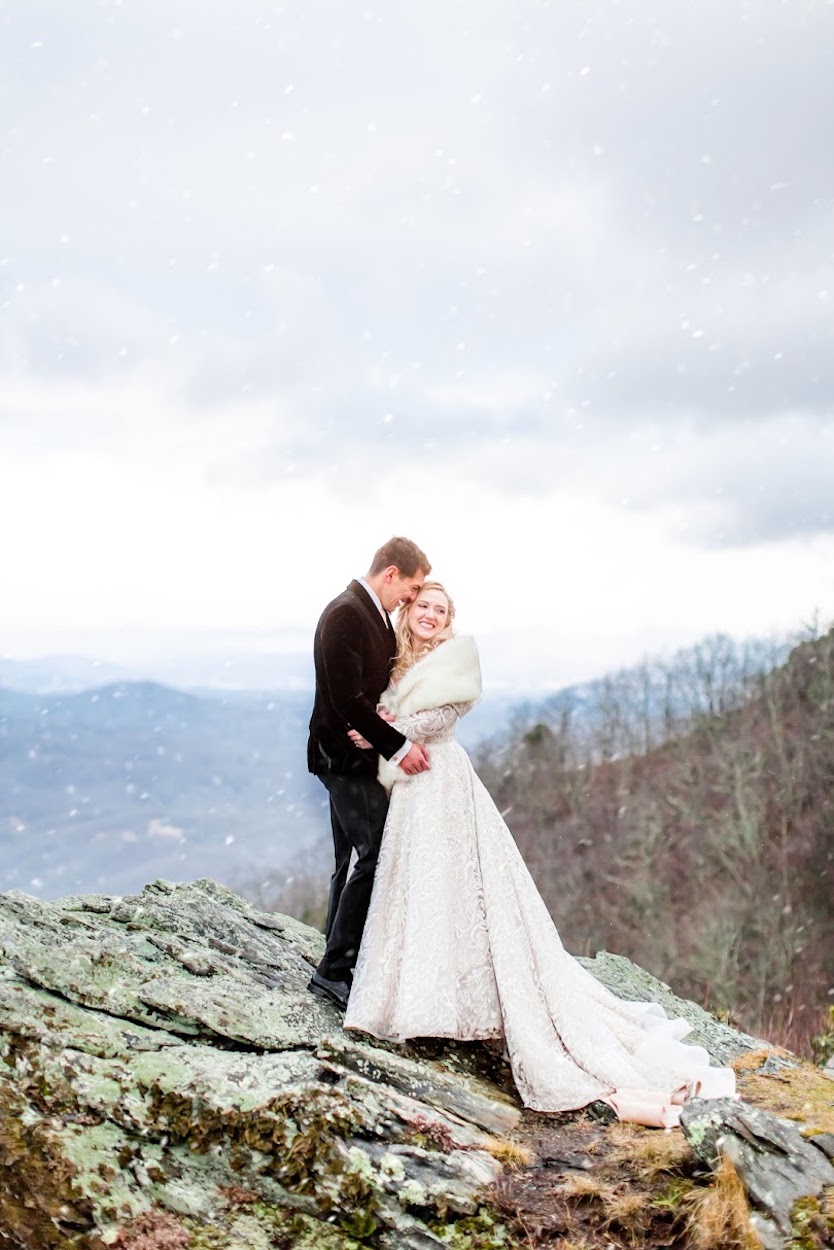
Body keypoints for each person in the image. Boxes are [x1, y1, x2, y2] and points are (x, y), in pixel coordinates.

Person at [343, 582, 736, 1127]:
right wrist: (376, 726)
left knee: (461, 883)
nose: (431, 615)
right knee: (423, 887)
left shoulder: (455, 659)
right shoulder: (397, 658)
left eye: (441, 609)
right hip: (411, 787)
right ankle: (421, 996)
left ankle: (471, 1003)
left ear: (449, 619)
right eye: (424, 606)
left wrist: (378, 731)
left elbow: (441, 720)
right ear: (407, 611)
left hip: (441, 779)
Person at [306, 536, 432, 1011]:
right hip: (341, 759)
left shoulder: (372, 614)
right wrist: (398, 746)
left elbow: (367, 693)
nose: (412, 597)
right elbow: (345, 700)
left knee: (348, 861)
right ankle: (335, 970)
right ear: (391, 572)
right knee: (377, 852)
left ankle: (333, 962)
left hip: (354, 758)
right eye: (412, 586)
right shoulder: (345, 613)